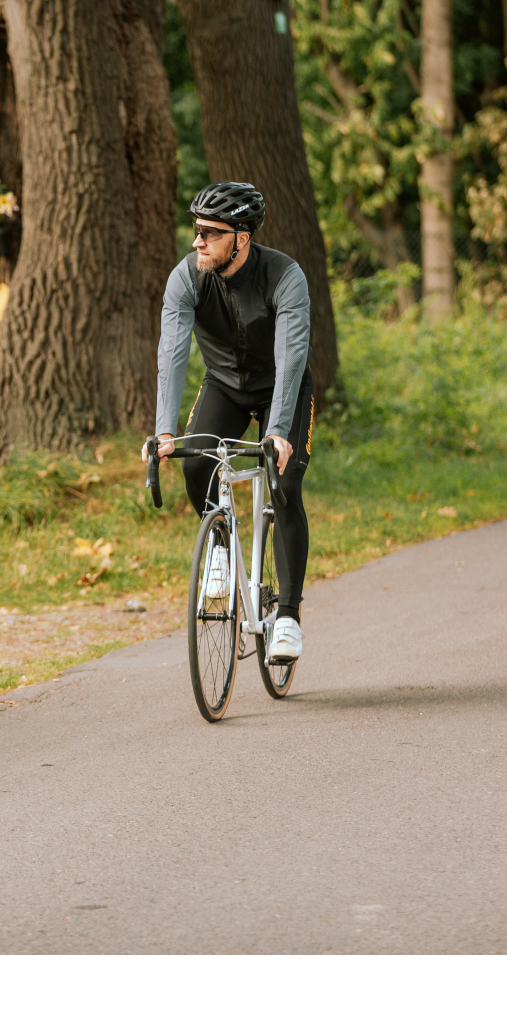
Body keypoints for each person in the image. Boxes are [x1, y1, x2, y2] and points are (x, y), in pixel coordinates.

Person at [154, 181, 313, 663]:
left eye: (210, 233)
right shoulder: (187, 277)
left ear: (241, 238)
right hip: (225, 383)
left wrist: (279, 432)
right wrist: (165, 430)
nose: (197, 241)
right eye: (196, 230)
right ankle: (219, 549)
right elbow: (172, 352)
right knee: (195, 464)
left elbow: (290, 358)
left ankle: (287, 617)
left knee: (284, 480)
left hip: (282, 388)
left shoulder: (285, 277)